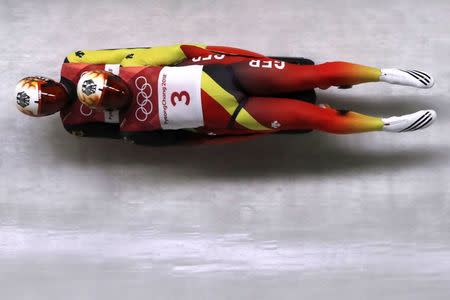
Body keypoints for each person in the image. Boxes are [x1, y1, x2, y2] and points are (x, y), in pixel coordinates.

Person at [15, 44, 436, 145]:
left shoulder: (80, 61)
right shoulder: (79, 124)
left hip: (224, 76)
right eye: (47, 105)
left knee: (317, 75)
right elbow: (156, 141)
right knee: (314, 118)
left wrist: (233, 55)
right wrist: (220, 136)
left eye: (48, 93)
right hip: (229, 114)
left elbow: (177, 51)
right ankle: (386, 125)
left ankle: (386, 74)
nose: (54, 100)